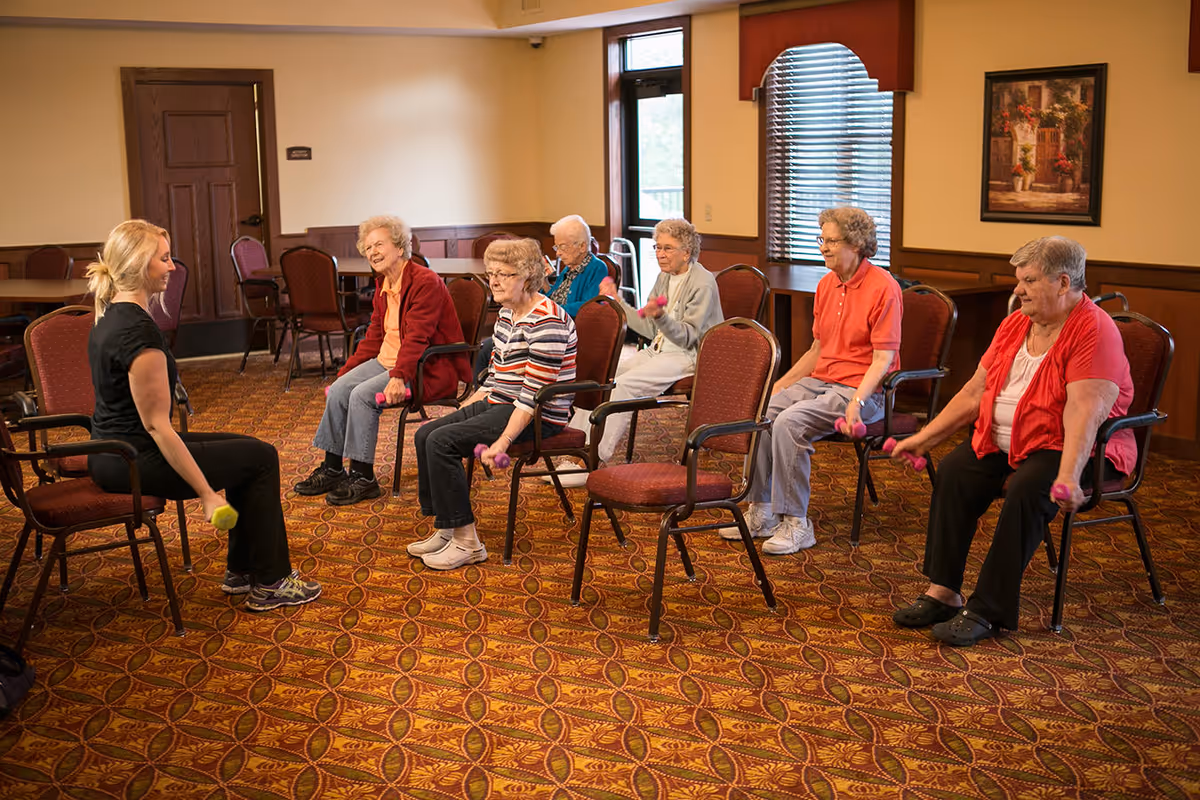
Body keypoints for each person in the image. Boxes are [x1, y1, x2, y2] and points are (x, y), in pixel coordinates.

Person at [889, 236, 1134, 647]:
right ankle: (944, 592)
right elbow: (972, 393)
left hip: (1074, 446)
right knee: (955, 470)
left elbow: (1083, 411)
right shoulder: (1016, 323)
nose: (1017, 290)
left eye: (1028, 280)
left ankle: (989, 608)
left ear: (1062, 282)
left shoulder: (1094, 330)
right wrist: (923, 440)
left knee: (1027, 487)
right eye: (1017, 280)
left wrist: (1071, 476)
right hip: (1009, 440)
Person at [86, 220, 319, 611]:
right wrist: (207, 494)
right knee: (261, 460)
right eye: (164, 258)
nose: (172, 266)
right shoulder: (137, 334)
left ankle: (243, 570)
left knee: (252, 450)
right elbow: (158, 427)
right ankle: (271, 581)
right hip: (131, 459)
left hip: (115, 451)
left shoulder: (112, 315)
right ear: (143, 265)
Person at [722, 207, 902, 555]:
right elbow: (817, 350)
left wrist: (858, 402)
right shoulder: (826, 283)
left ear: (858, 244)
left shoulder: (884, 288)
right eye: (822, 239)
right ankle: (762, 510)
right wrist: (779, 384)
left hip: (865, 392)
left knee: (789, 422)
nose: (824, 247)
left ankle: (797, 523)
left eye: (833, 241)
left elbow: (884, 359)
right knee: (764, 409)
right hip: (824, 381)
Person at [407, 238, 578, 570]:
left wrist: (502, 442)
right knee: (426, 434)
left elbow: (531, 396)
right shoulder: (507, 313)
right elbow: (496, 376)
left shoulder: (547, 321)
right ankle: (447, 527)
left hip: (540, 414)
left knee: (442, 442)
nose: (494, 281)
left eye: (503, 273)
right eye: (491, 274)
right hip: (501, 401)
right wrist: (465, 406)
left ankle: (469, 543)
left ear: (527, 277)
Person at [293, 215, 471, 506]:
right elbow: (375, 336)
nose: (372, 251)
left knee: (362, 396)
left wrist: (399, 376)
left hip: (424, 368)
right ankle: (333, 468)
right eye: (368, 246)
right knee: (340, 390)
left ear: (400, 247)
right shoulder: (384, 283)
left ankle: (363, 477)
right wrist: (346, 371)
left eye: (379, 244)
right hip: (388, 361)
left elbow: (418, 338)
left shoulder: (425, 282)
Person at [550, 217, 722, 488]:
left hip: (687, 355)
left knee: (625, 386)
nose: (659, 254)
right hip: (659, 350)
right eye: (657, 247)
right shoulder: (664, 277)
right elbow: (647, 326)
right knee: (603, 376)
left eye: (667, 248)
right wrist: (619, 302)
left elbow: (688, 336)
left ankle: (595, 459)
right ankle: (577, 448)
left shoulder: (702, 283)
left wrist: (662, 317)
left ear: (686, 252)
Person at [473, 214, 606, 378]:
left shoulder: (597, 268)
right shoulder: (569, 269)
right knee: (488, 347)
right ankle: (491, 391)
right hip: (541, 321)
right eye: (557, 248)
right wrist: (542, 282)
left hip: (557, 330)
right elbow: (551, 296)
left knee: (491, 348)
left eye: (563, 247)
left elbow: (589, 307)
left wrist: (552, 310)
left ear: (582, 246)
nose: (558, 254)